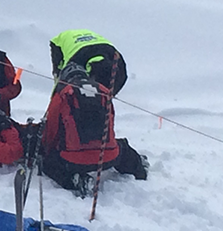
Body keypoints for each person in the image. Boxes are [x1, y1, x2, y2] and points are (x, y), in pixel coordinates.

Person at [41, 63, 147, 195]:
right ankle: (138, 168)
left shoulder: (64, 93)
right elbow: (110, 124)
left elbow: (51, 130)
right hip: (107, 155)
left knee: (48, 163)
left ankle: (76, 180)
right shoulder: (104, 91)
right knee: (122, 148)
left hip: (74, 159)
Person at [49, 29, 128, 96]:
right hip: (60, 43)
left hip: (98, 46)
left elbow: (109, 96)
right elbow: (60, 83)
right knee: (64, 88)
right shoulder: (75, 63)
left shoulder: (119, 69)